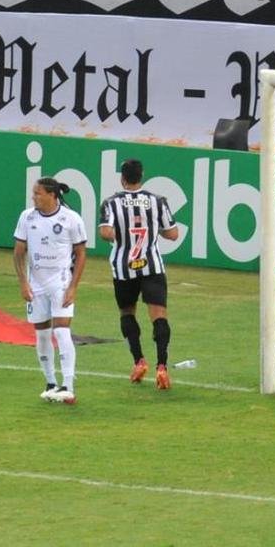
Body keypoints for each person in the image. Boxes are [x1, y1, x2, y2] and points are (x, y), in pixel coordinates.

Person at [98, 159, 180, 389]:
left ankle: (139, 361)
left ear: (122, 178)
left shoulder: (110, 203)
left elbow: (105, 233)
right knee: (159, 315)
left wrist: (122, 235)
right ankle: (162, 366)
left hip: (124, 267)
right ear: (141, 176)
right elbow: (173, 234)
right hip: (151, 265)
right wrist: (150, 231)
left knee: (127, 312)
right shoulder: (157, 201)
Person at [13, 177, 87, 404]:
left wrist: (73, 287)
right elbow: (18, 252)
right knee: (42, 333)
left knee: (62, 330)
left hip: (61, 282)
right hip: (36, 284)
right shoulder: (27, 217)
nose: (33, 196)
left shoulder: (71, 219)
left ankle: (68, 385)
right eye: (33, 193)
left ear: (52, 195)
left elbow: (81, 254)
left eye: (38, 193)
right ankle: (50, 383)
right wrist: (23, 282)